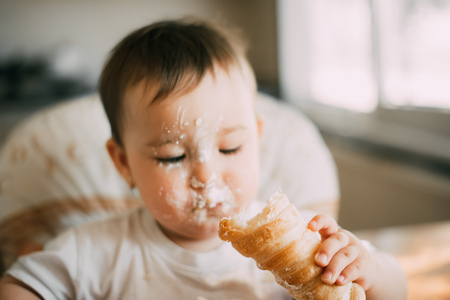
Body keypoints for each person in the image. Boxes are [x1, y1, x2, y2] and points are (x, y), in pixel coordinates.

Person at [0, 19, 406, 299]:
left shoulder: (300, 242)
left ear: (257, 141)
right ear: (123, 163)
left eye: (230, 149)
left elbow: (397, 288)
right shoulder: (96, 252)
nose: (206, 176)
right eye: (172, 156)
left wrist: (367, 268)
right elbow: (21, 284)